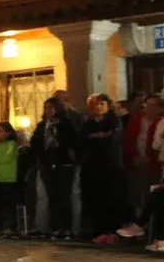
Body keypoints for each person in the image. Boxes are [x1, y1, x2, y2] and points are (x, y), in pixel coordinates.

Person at [31, 97, 80, 240]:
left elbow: (74, 141)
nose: (48, 111)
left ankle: (66, 228)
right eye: (46, 108)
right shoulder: (42, 125)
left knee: (64, 196)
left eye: (51, 108)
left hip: (63, 164)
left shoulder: (66, 123)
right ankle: (55, 226)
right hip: (47, 164)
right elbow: (36, 143)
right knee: (52, 196)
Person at [82, 94, 122, 245]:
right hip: (93, 166)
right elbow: (84, 141)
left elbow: (112, 140)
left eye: (102, 104)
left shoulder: (114, 121)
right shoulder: (89, 123)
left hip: (110, 166)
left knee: (112, 198)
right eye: (96, 104)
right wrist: (100, 136)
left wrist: (97, 137)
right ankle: (99, 230)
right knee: (96, 199)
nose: (99, 107)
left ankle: (112, 231)